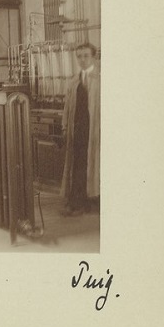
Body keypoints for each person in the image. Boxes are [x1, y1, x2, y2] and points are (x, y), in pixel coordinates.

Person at [61, 43, 100, 216]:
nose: (82, 59)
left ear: (94, 57)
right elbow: (67, 107)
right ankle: (78, 201)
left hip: (96, 132)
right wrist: (65, 126)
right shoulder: (73, 82)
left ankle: (95, 200)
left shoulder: (101, 80)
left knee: (95, 164)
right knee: (78, 165)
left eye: (85, 56)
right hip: (77, 131)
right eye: (79, 56)